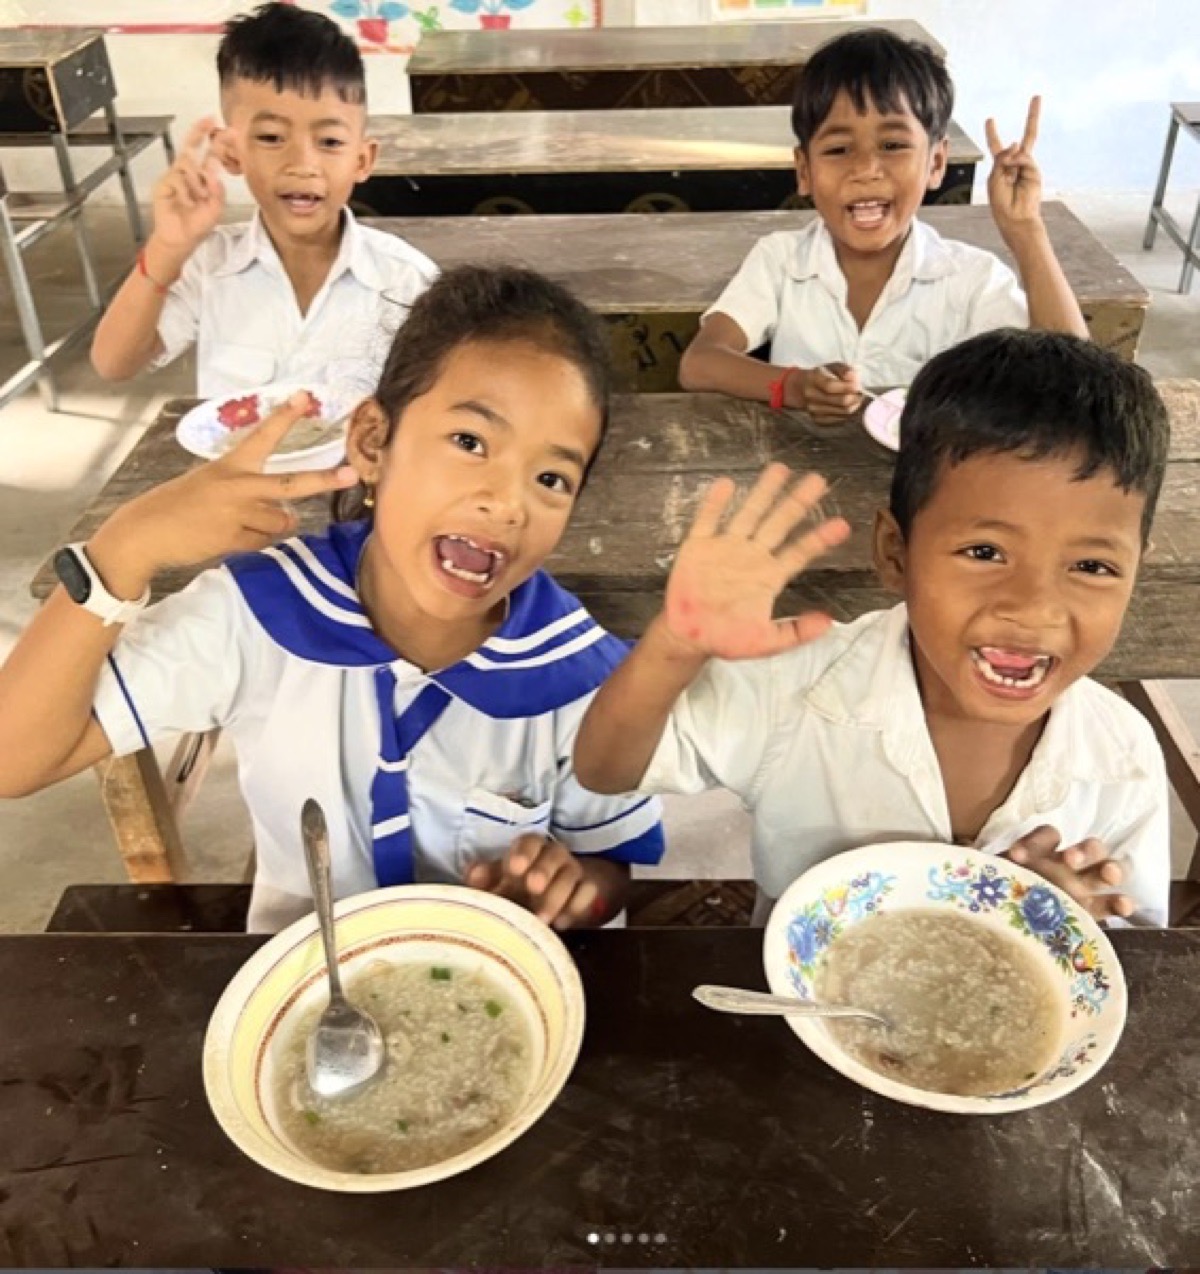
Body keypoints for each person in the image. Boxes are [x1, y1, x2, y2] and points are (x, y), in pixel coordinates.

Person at [3, 266, 663, 933]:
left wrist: (569, 894)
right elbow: (14, 759)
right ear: (373, 441)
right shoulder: (261, 614)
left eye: (551, 478)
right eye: (470, 442)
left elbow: (610, 865)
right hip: (307, 974)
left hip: (503, 975)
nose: (508, 501)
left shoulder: (581, 675)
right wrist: (124, 549)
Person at [576, 329, 1170, 926]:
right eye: (985, 552)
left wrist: (1067, 920)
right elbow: (606, 769)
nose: (1034, 607)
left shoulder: (1122, 756)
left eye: (1092, 567)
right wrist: (674, 648)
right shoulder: (796, 688)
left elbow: (1135, 930)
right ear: (894, 553)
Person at [678, 27, 1088, 423]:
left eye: (892, 145)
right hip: (798, 463)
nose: (866, 169)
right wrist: (796, 386)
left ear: (936, 163)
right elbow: (699, 363)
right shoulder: (781, 260)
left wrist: (1025, 230)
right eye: (838, 149)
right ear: (804, 171)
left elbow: (1070, 384)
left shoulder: (970, 279)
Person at [91, 1, 435, 397]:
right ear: (231, 151)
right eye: (271, 137)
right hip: (239, 441)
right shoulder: (209, 264)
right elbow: (114, 363)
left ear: (362, 160)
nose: (302, 164)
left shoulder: (405, 281)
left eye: (329, 142)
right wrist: (167, 248)